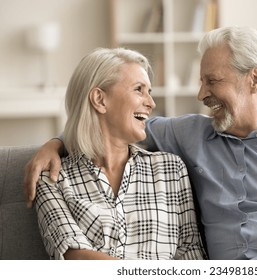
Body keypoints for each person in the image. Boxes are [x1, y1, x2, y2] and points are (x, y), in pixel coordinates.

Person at [24, 26, 257, 260]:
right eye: (201, 81)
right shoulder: (189, 134)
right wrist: (55, 143)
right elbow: (111, 126)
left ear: (254, 79)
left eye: (212, 81)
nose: (201, 94)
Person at [33, 47, 206, 260]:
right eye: (139, 89)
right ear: (100, 100)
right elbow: (74, 258)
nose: (151, 103)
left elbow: (191, 254)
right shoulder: (53, 177)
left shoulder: (170, 169)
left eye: (149, 92)